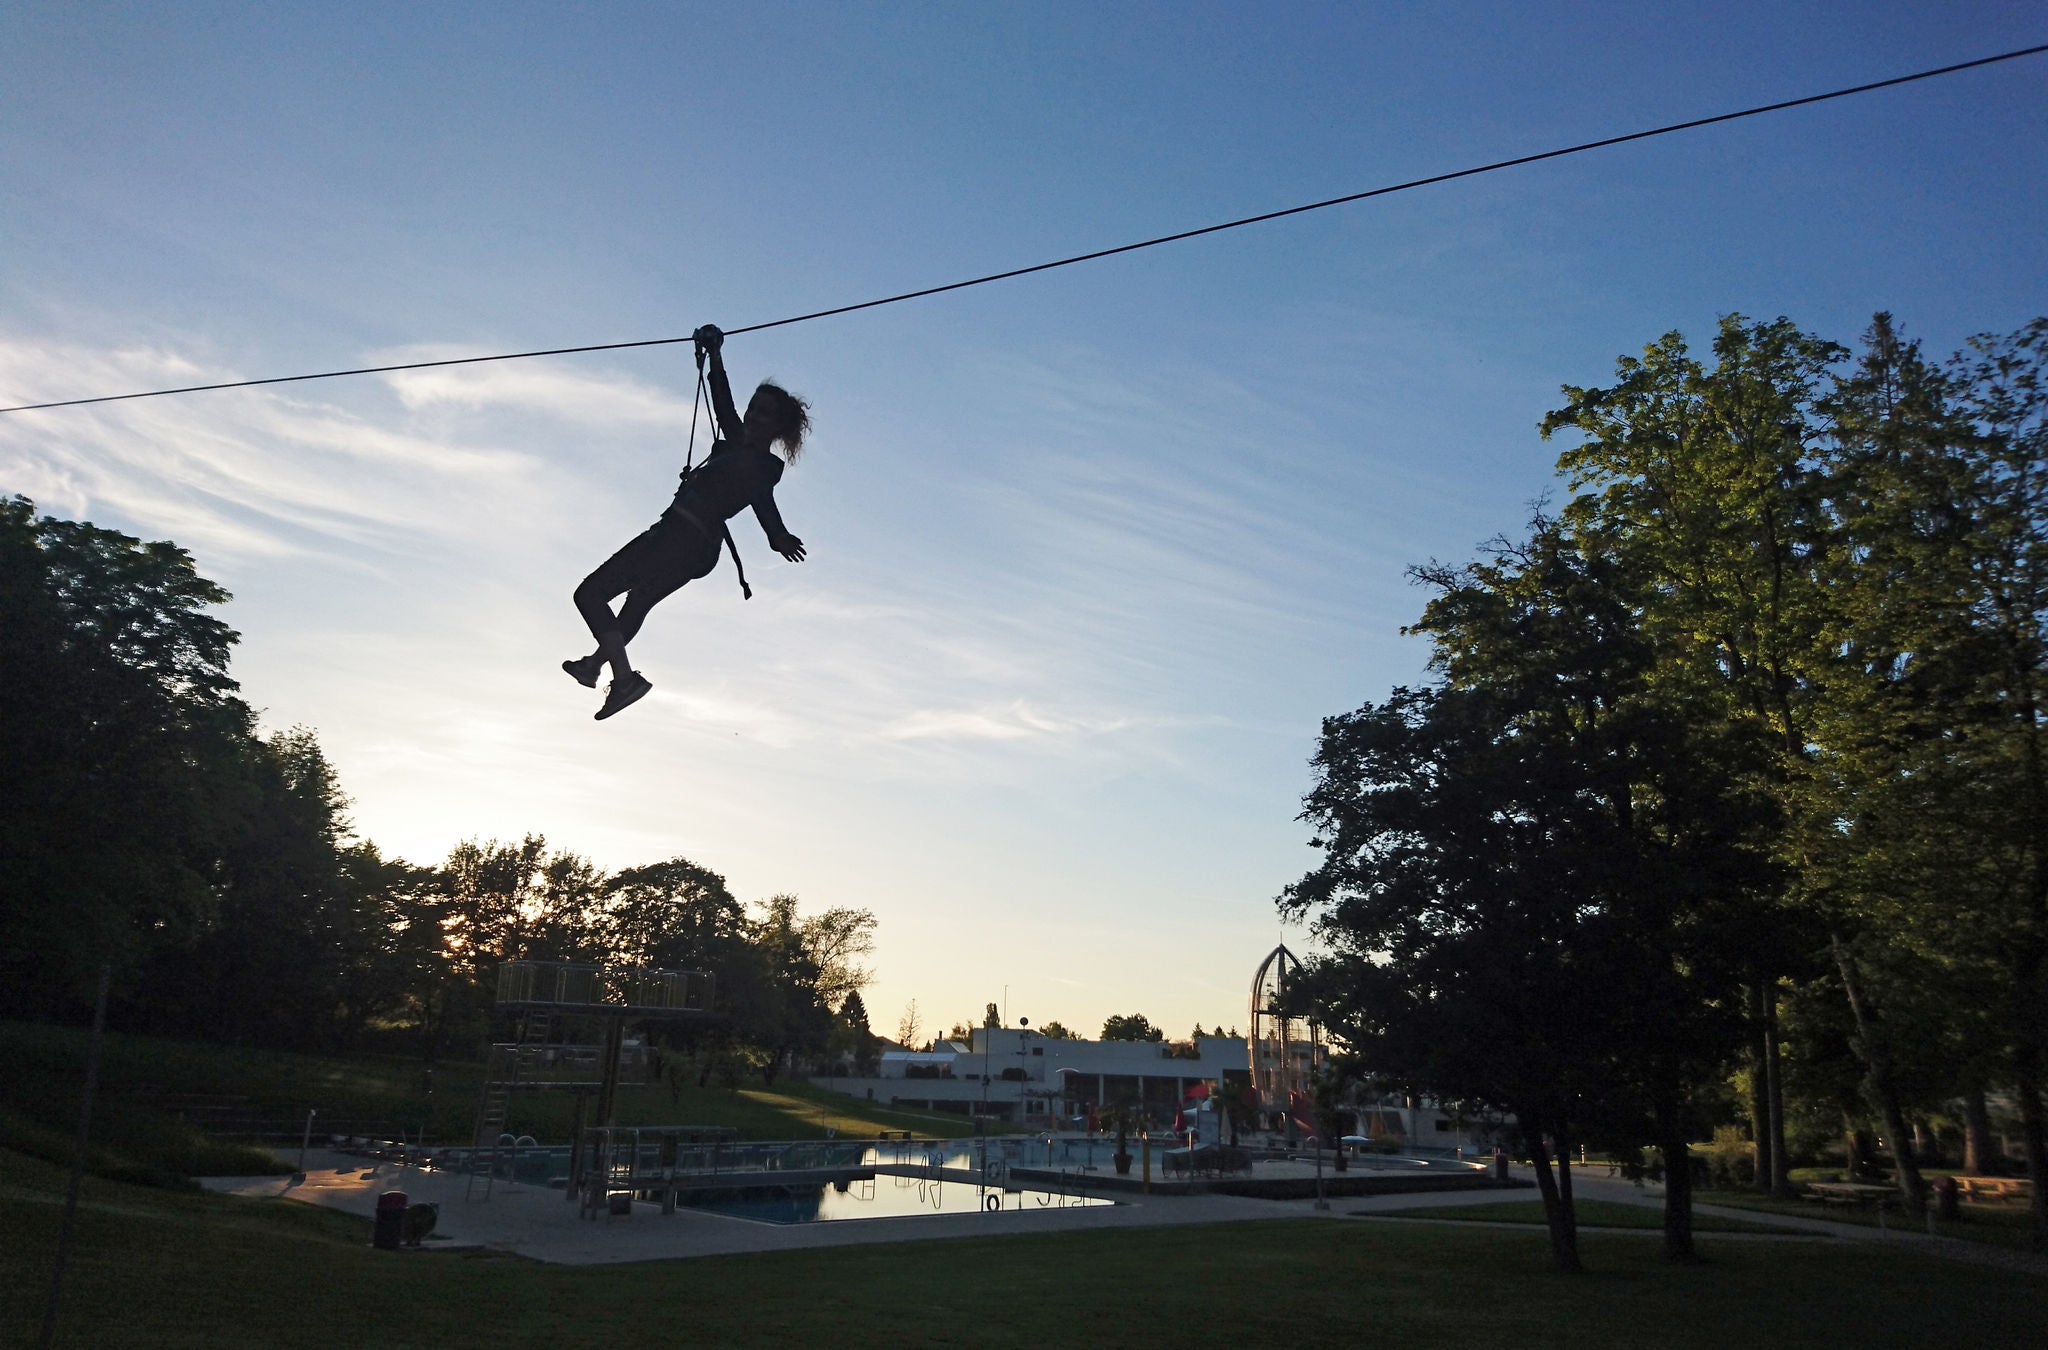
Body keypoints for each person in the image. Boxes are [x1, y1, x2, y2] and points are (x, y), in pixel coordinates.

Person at [565, 325, 810, 719]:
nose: (752, 415)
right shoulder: (738, 444)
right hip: (692, 546)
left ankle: (623, 679)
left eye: (764, 413)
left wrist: (777, 535)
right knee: (636, 603)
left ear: (776, 426)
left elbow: (762, 499)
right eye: (753, 407)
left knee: (589, 595)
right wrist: (715, 355)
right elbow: (723, 402)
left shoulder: (762, 464)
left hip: (683, 538)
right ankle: (596, 666)